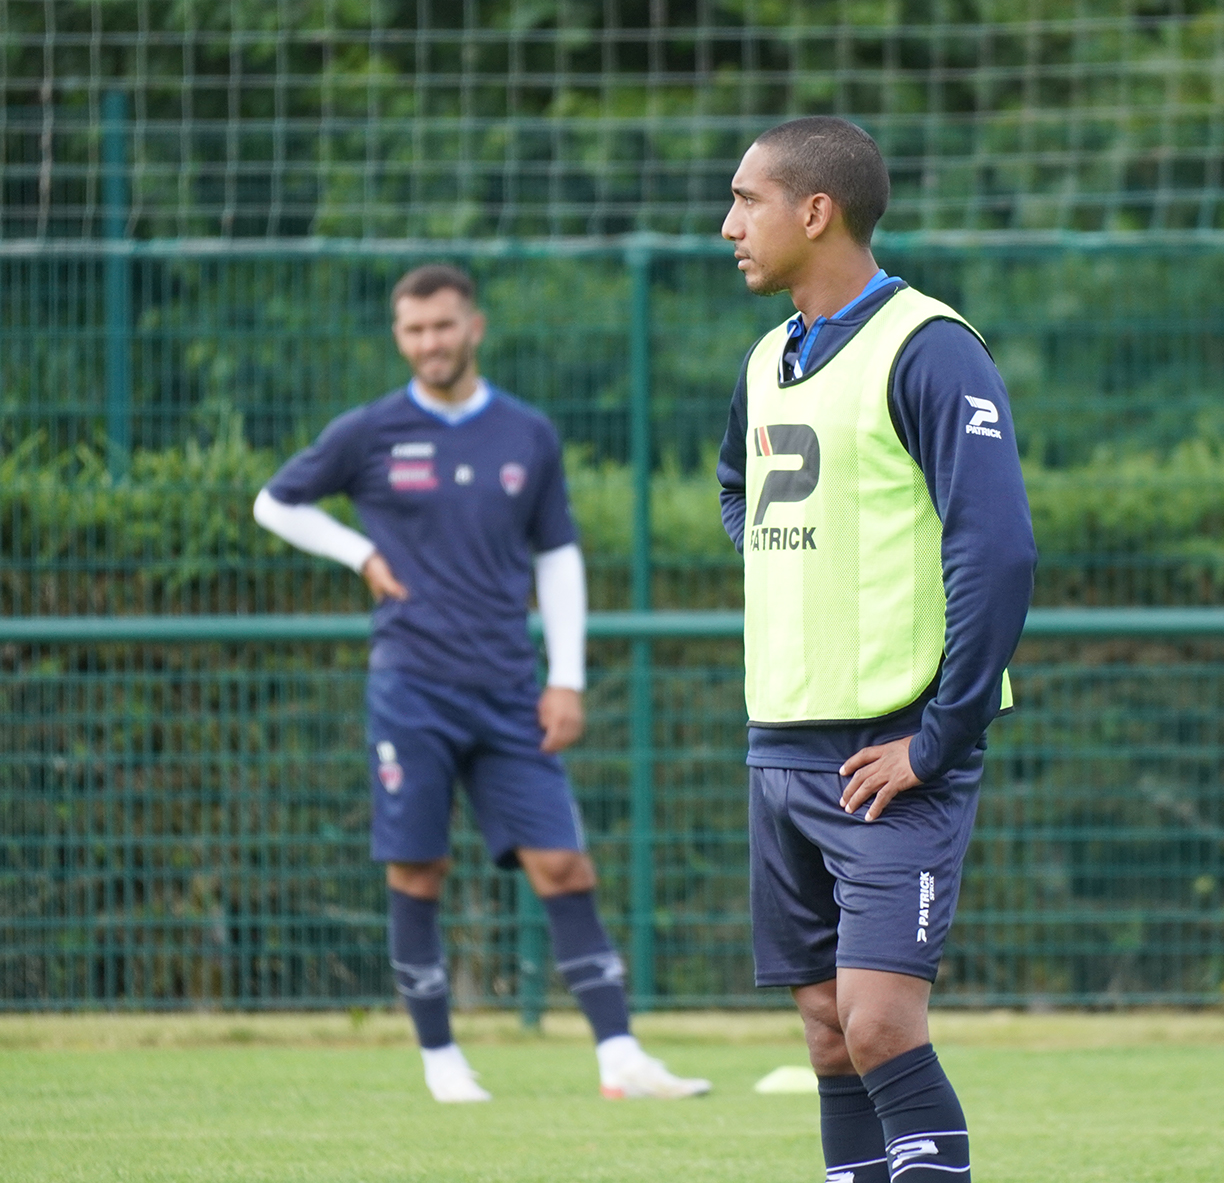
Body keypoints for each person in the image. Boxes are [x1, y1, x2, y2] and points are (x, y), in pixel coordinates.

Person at [253, 263, 708, 1104]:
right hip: (410, 686)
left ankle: (621, 1059)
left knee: (564, 865)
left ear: (475, 328)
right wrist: (359, 553)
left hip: (508, 689)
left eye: (443, 327)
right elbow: (274, 505)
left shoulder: (527, 433)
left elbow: (559, 556)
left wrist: (565, 679)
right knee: (418, 869)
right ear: (400, 337)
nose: (429, 343)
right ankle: (442, 1063)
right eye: (414, 330)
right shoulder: (370, 431)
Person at [716, 118, 1036, 1183]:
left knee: (881, 1022)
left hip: (891, 753)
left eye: (747, 201)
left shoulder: (930, 347)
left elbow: (998, 553)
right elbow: (738, 490)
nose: (729, 227)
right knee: (823, 1028)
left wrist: (938, 735)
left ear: (817, 211)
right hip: (781, 748)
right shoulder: (769, 357)